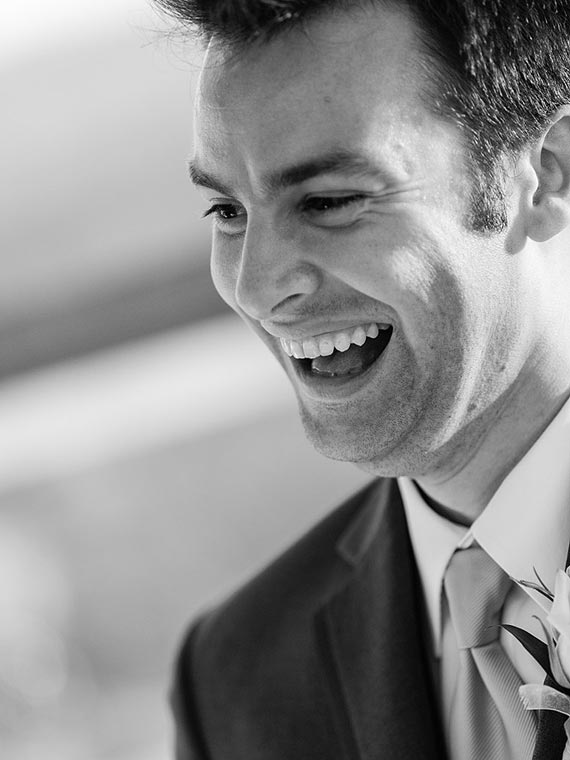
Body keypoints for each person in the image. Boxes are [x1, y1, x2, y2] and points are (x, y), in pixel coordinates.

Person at [157, 0, 570, 757]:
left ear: (545, 177)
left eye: (329, 201)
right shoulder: (234, 687)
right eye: (226, 210)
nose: (256, 287)